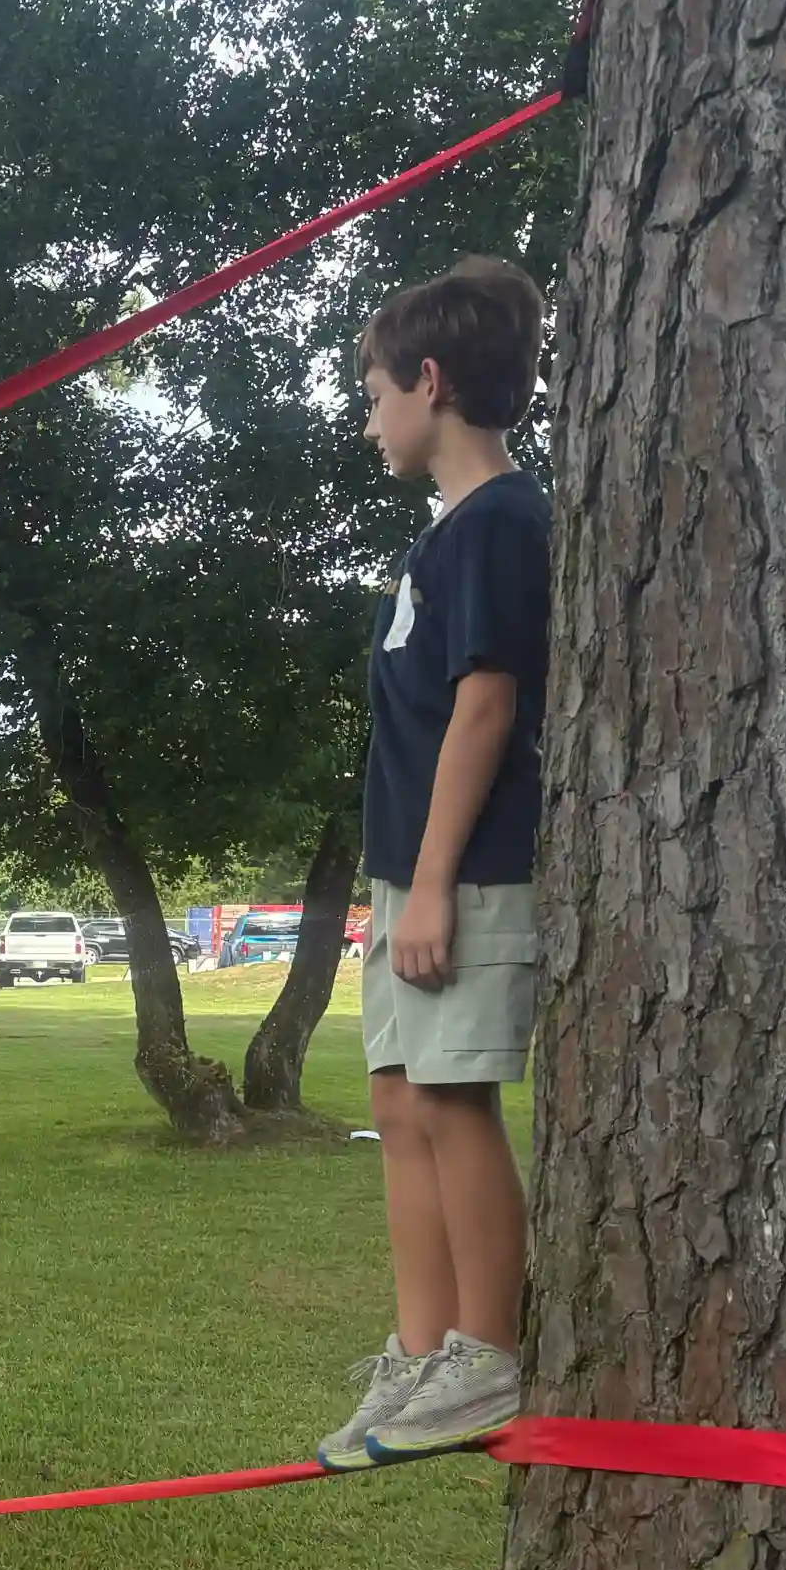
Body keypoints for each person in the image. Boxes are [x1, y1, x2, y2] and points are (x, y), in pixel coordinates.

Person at [319, 256, 551, 1470]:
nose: (369, 420)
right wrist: (398, 889)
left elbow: (486, 709)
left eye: (373, 394)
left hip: (465, 870)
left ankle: (487, 1358)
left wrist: (438, 881)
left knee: (456, 1102)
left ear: (430, 381)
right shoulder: (445, 534)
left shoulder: (506, 520)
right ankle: (418, 1360)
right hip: (411, 876)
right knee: (399, 1104)